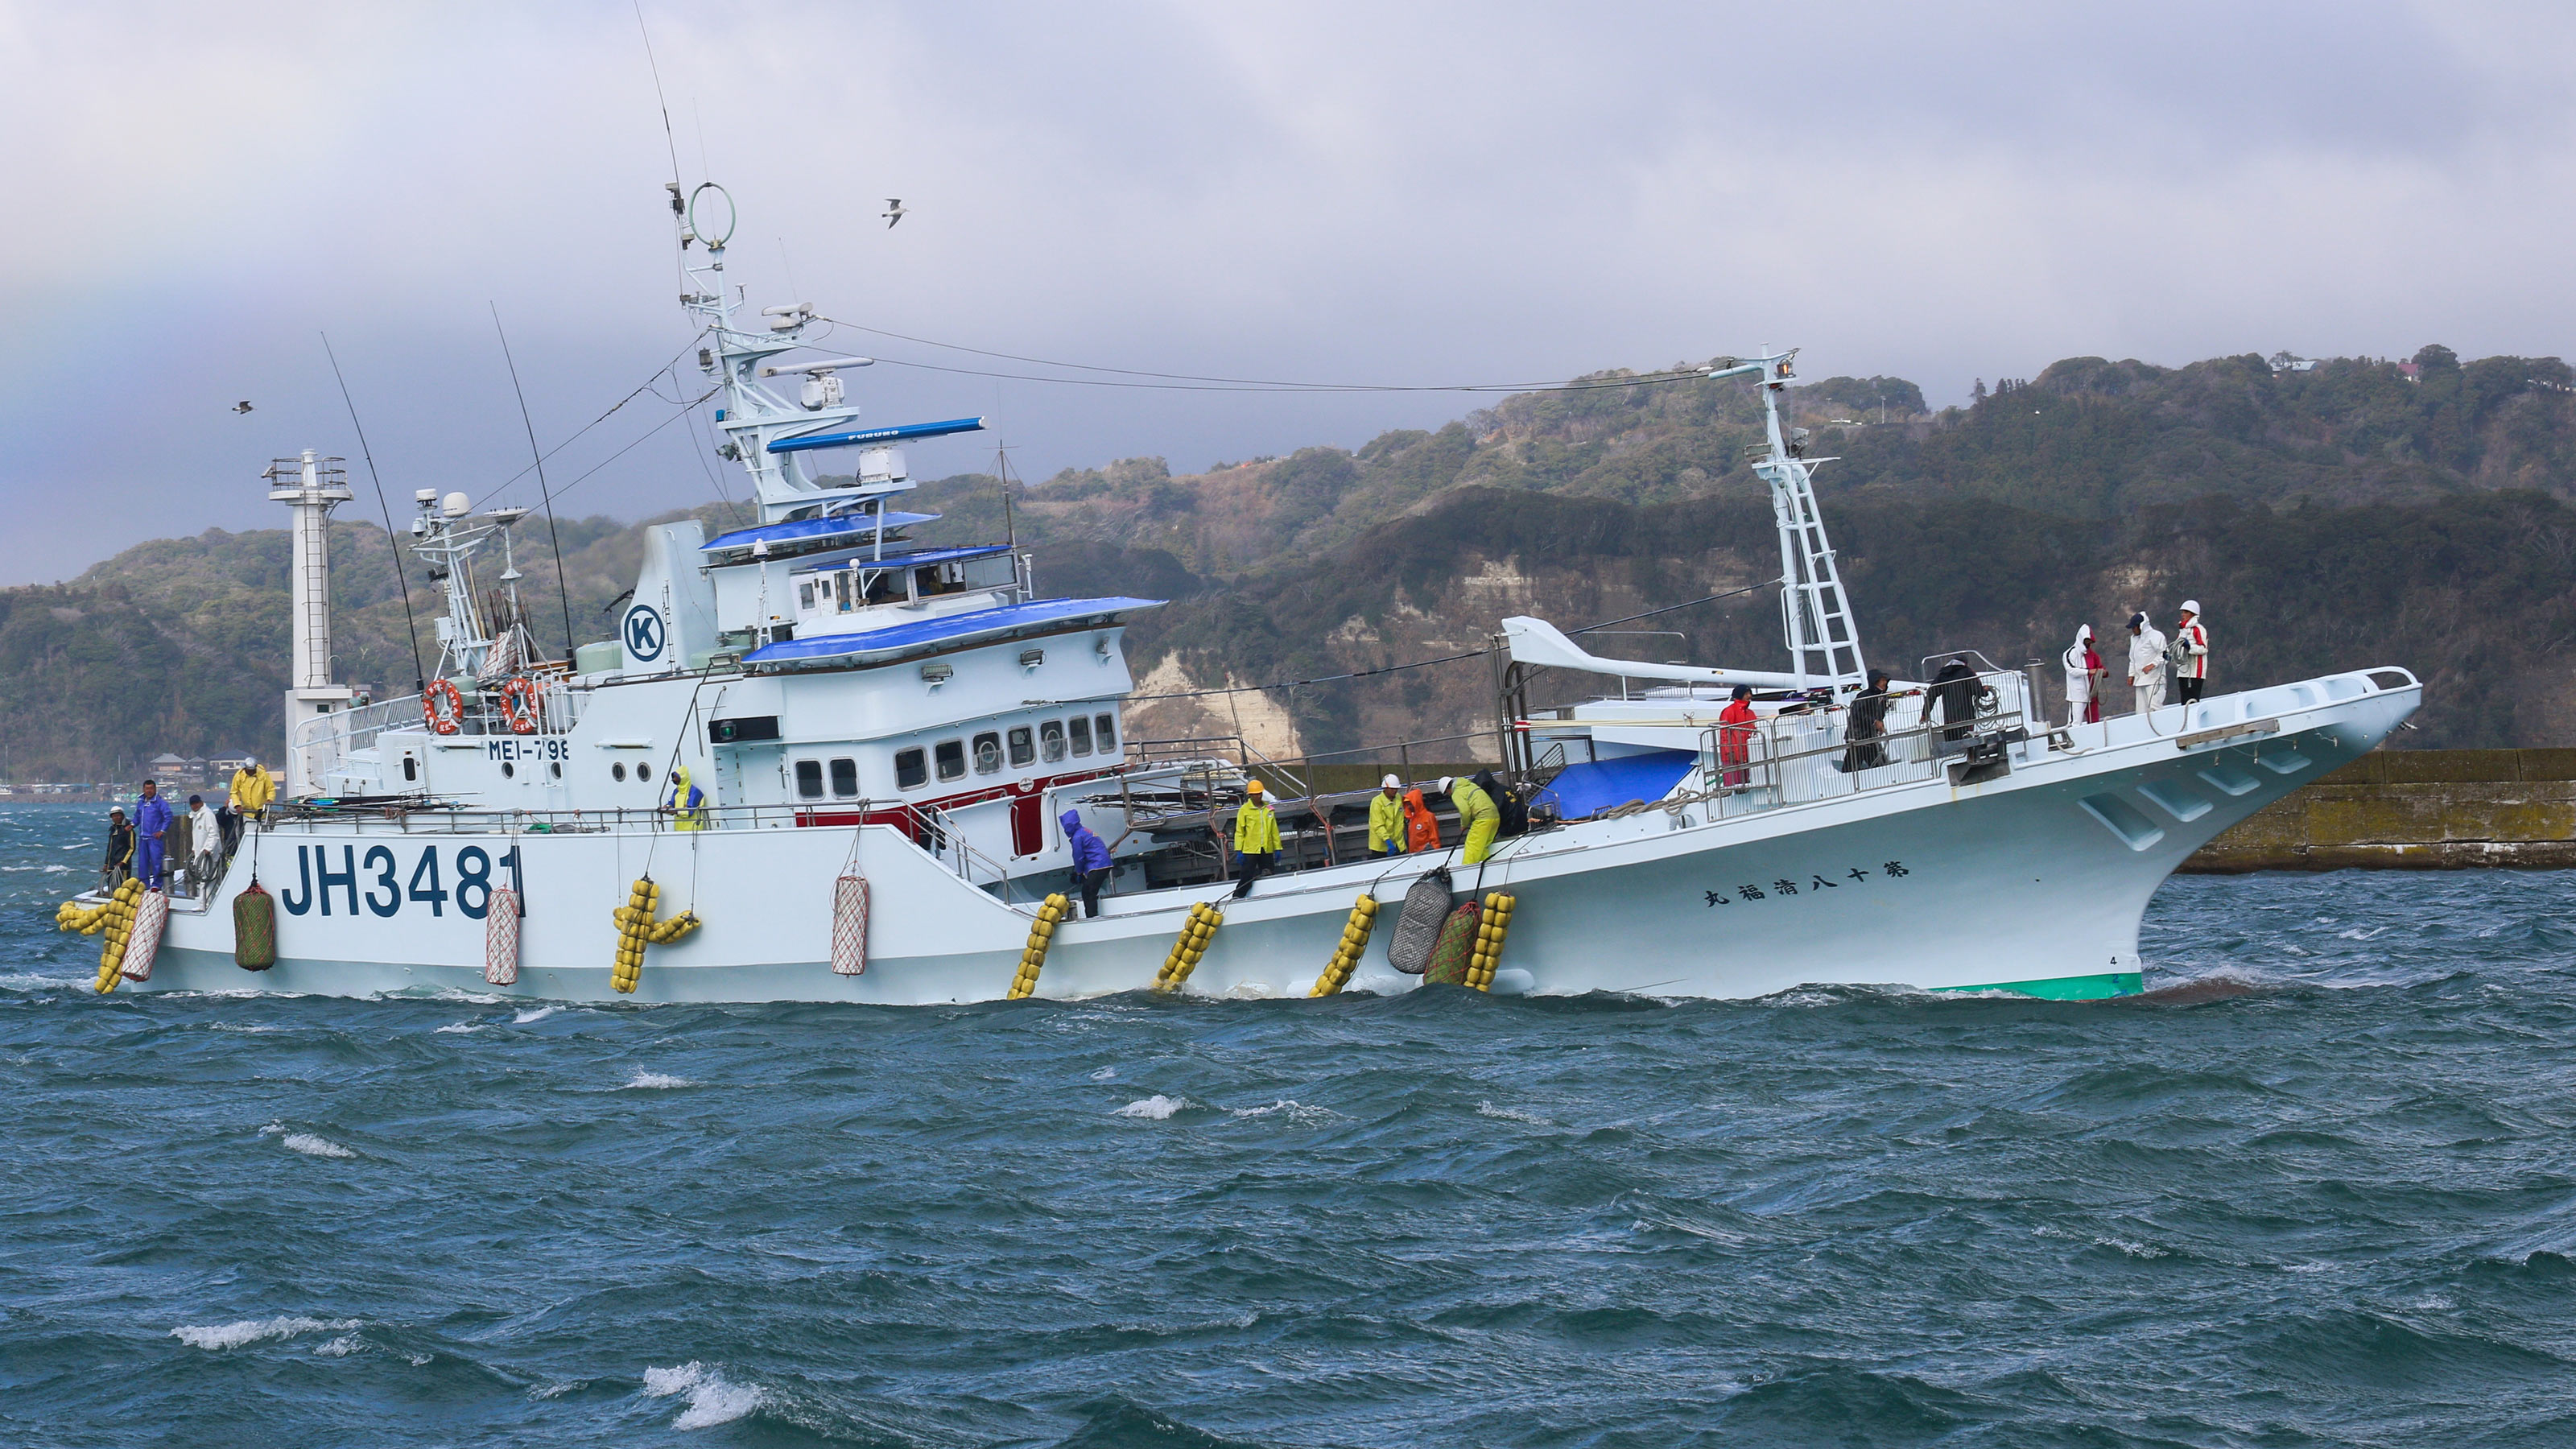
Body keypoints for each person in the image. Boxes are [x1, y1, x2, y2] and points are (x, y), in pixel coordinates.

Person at [1231, 778, 1281, 898]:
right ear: (1250, 795)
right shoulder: (1244, 810)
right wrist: (1239, 850)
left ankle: (1269, 896)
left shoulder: (1268, 809)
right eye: (1255, 794)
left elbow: (1274, 830)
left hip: (1266, 848)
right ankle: (1238, 896)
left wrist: (1277, 847)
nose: (1258, 796)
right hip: (1250, 849)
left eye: (1259, 793)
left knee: (1269, 873)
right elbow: (1240, 831)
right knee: (1247, 875)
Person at [1062, 808, 1114, 917]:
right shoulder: (1085, 831)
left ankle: (1092, 918)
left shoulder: (1077, 837)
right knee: (1091, 889)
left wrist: (1078, 873)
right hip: (1104, 863)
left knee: (1088, 892)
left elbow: (1078, 857)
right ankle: (1094, 915)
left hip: (1097, 865)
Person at [1442, 774, 1501, 865]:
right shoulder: (1470, 785)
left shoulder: (1457, 793)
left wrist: (1464, 825)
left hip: (1483, 818)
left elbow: (1465, 811)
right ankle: (1486, 866)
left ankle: (1467, 869)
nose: (1449, 795)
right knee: (1483, 846)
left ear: (1447, 790)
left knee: (1471, 845)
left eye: (1447, 793)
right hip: (1495, 817)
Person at [1843, 669, 1893, 771]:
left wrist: (1879, 723)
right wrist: (1874, 722)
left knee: (1879, 764)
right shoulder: (1864, 696)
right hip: (1858, 736)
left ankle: (1883, 780)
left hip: (1870, 736)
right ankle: (1846, 783)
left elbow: (1880, 713)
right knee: (1851, 767)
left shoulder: (1882, 696)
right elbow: (1857, 713)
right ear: (1875, 681)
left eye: (1885, 680)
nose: (1885, 683)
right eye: (1882, 680)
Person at [2128, 610, 2168, 718]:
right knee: (2141, 712)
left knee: (2155, 708)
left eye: (2134, 627)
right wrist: (2131, 675)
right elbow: (2133, 658)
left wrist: (2152, 665)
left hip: (2155, 680)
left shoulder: (2156, 636)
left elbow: (2165, 655)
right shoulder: (2133, 639)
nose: (2132, 630)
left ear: (2141, 626)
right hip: (2140, 680)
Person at [2062, 625, 2106, 725]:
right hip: (2077, 695)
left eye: (2090, 642)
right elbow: (2071, 669)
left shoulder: (2092, 655)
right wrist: (2088, 671)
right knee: (2075, 722)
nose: (2089, 644)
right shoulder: (2070, 653)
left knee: (2094, 721)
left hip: (2091, 694)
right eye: (2087, 641)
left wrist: (2103, 673)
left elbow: (2099, 667)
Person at [132, 780, 171, 890]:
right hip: (143, 837)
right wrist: (132, 825)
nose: (149, 791)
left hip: (154, 838)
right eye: (147, 789)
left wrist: (162, 831)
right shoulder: (141, 802)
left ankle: (157, 884)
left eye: (151, 788)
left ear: (155, 789)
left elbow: (168, 817)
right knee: (142, 862)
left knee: (156, 861)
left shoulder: (161, 803)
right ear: (143, 789)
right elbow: (137, 817)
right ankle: (144, 884)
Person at [1717, 684, 1758, 786]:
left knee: (1745, 780)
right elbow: (1724, 733)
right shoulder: (1729, 711)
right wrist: (1728, 751)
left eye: (1750, 694)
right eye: (1746, 694)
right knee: (1733, 781)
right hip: (1734, 752)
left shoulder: (1750, 713)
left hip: (1747, 752)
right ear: (1740, 695)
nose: (1749, 696)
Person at [2173, 601, 2210, 704]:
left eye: (2186, 612)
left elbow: (2203, 649)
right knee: (2184, 701)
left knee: (2192, 700)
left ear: (2193, 614)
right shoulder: (2182, 631)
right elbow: (2178, 647)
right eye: (2182, 612)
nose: (2183, 615)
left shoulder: (2198, 629)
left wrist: (2190, 647)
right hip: (2183, 670)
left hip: (2195, 671)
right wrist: (2171, 655)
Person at [186, 793, 221, 893]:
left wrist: (208, 849)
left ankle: (207, 903)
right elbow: (197, 835)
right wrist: (194, 848)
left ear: (201, 802)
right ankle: (203, 903)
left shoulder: (208, 815)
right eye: (192, 804)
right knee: (203, 879)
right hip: (200, 852)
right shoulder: (195, 816)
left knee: (209, 879)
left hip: (210, 854)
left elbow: (214, 833)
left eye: (197, 803)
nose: (195, 806)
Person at [1367, 775, 1407, 857]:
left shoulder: (1399, 798)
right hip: (1381, 848)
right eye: (1392, 789)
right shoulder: (1377, 802)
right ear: (1385, 788)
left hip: (1399, 844)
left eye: (1396, 789)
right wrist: (1388, 841)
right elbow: (1378, 826)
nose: (1395, 791)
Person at [665, 765, 710, 830]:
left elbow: (690, 812)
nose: (674, 779)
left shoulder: (695, 792)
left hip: (694, 830)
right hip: (679, 829)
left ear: (683, 777)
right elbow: (671, 804)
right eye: (673, 777)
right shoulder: (676, 791)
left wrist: (674, 812)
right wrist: (666, 808)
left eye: (676, 777)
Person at [1400, 786, 1441, 852]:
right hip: (1414, 855)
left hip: (1426, 854)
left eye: (1411, 804)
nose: (1409, 807)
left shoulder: (1429, 816)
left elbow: (1435, 840)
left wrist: (1434, 853)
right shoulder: (1411, 819)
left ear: (1416, 802)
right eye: (1408, 804)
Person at [101, 807, 133, 892]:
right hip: (112, 865)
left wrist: (123, 862)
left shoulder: (128, 830)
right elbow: (110, 849)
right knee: (112, 889)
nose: (116, 818)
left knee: (123, 890)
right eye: (114, 816)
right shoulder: (112, 830)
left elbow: (131, 848)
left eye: (118, 816)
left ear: (122, 816)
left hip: (123, 867)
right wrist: (106, 864)